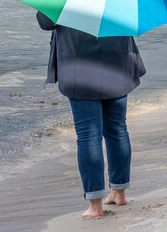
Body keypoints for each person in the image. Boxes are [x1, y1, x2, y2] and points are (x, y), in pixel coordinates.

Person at [36, 12, 146, 219]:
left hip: (79, 67)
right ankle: (119, 192)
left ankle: (95, 205)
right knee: (117, 129)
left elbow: (45, 22)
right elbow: (132, 20)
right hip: (117, 63)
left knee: (88, 135)